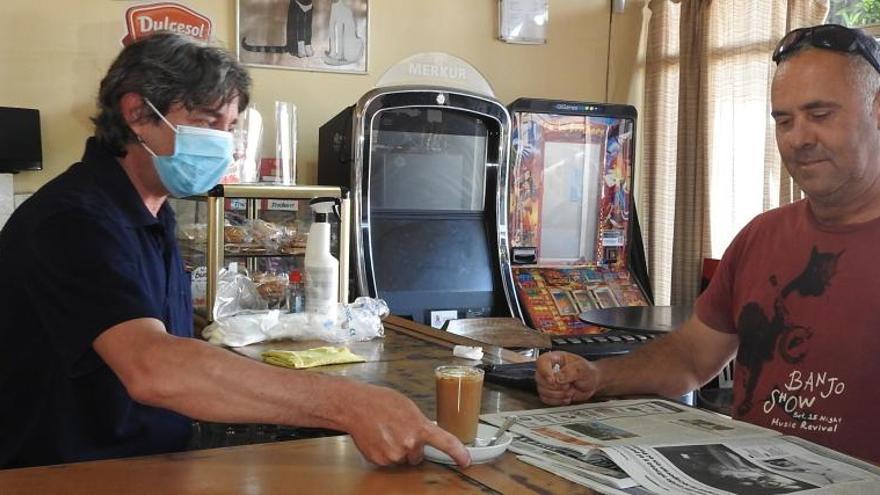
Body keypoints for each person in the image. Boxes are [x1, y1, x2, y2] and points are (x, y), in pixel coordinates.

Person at [0, 32, 469, 469]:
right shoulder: (73, 220)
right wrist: (348, 404)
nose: (221, 143)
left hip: (148, 464)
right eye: (206, 122)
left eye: (229, 127)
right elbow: (154, 367)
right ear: (138, 114)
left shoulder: (153, 211)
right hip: (64, 474)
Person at [535, 24, 880, 464]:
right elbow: (691, 357)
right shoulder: (761, 236)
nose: (798, 138)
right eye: (784, 120)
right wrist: (598, 376)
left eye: (820, 114)